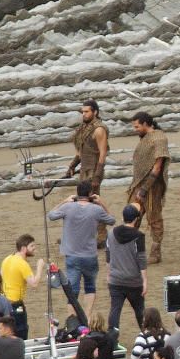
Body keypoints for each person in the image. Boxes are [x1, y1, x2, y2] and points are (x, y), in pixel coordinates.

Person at [47, 181, 116, 318]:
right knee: (90, 286)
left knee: (72, 289)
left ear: (77, 193)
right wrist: (101, 202)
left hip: (72, 255)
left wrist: (64, 201)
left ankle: (73, 320)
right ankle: (88, 317)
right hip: (89, 255)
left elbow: (51, 215)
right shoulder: (96, 209)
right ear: (90, 194)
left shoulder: (68, 207)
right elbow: (112, 220)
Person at [127, 111, 170, 264]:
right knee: (132, 215)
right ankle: (130, 249)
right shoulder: (145, 138)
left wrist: (144, 189)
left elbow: (157, 167)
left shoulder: (159, 138)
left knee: (154, 218)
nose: (135, 129)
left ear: (146, 124)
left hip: (152, 186)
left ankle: (155, 252)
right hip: (138, 183)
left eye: (137, 126)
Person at [66, 98, 110, 247]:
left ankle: (101, 237)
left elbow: (103, 153)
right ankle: (91, 237)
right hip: (84, 170)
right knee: (84, 202)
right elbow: (81, 152)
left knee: (92, 203)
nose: (83, 114)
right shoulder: (83, 129)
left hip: (94, 171)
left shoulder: (99, 129)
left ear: (95, 112)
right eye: (82, 112)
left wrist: (97, 176)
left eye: (86, 112)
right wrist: (72, 166)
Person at [106, 204, 148, 330]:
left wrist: (108, 274)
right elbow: (141, 259)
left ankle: (113, 337)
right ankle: (146, 335)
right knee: (140, 311)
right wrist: (145, 280)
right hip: (134, 281)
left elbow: (108, 255)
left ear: (123, 217)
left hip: (115, 280)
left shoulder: (111, 233)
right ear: (136, 219)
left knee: (115, 310)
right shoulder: (138, 236)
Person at [0, 234, 46, 339]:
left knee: (6, 333)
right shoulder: (22, 264)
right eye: (32, 246)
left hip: (4, 303)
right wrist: (39, 268)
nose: (34, 249)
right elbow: (34, 283)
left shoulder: (7, 259)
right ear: (24, 248)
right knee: (21, 331)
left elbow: (1, 276)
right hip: (15, 304)